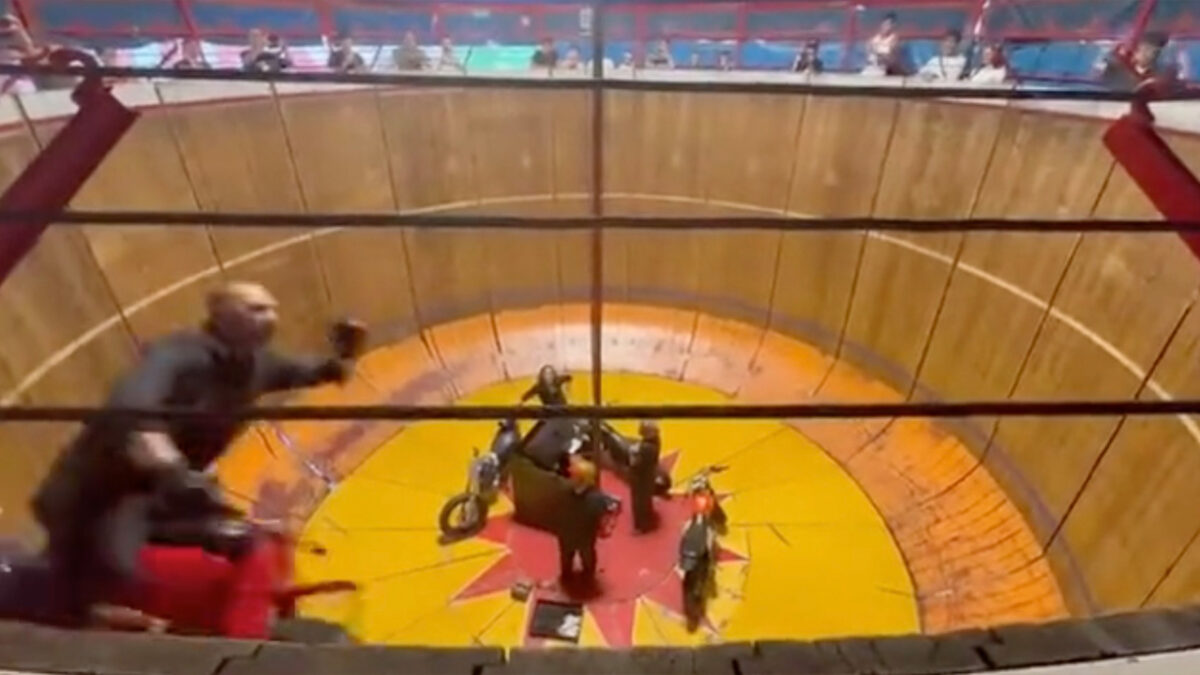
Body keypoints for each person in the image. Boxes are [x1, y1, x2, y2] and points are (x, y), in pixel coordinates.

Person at [30, 282, 366, 626]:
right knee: (119, 576)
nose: (270, 318)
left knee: (249, 542)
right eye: (255, 309)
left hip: (169, 493)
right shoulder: (179, 354)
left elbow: (316, 371)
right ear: (220, 314)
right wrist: (170, 466)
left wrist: (344, 356)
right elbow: (130, 409)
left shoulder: (255, 364)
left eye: (271, 309)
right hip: (110, 493)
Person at [555, 457, 609, 582]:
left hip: (585, 536)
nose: (570, 477)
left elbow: (600, 516)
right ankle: (566, 576)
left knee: (587, 557)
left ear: (582, 479)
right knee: (566, 558)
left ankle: (588, 576)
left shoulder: (596, 498)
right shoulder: (564, 491)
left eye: (574, 475)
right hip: (567, 534)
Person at [629, 421, 661, 533]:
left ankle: (642, 526)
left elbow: (636, 464)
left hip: (641, 477)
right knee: (646, 499)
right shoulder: (656, 441)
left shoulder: (646, 448)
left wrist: (633, 457)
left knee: (640, 501)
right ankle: (648, 521)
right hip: (649, 474)